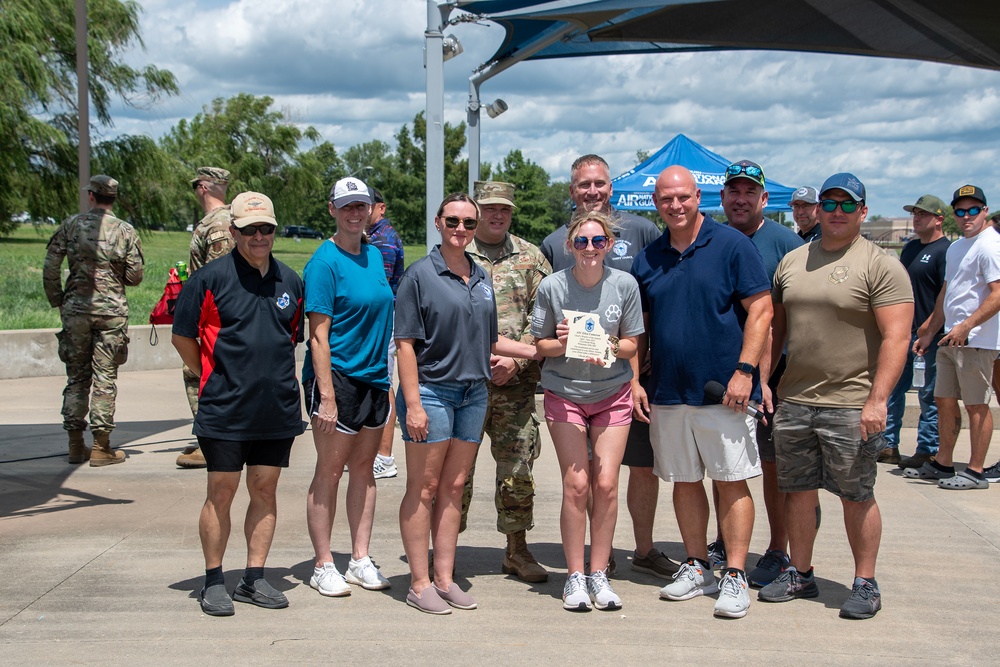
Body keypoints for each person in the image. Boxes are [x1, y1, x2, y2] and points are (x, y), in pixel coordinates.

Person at [762, 173, 912, 620]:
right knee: (799, 492)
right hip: (795, 400)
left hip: (852, 404)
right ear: (817, 209)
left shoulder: (881, 265)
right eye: (830, 203)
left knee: (856, 495)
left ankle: (865, 581)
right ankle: (801, 573)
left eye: (848, 205)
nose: (837, 212)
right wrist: (765, 381)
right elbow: (777, 328)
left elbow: (896, 338)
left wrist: (878, 399)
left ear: (863, 212)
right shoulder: (792, 261)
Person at [631, 165, 772, 620]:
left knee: (731, 480)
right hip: (668, 392)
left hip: (723, 391)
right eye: (666, 199)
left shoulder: (733, 245)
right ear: (656, 202)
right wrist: (636, 380)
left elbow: (762, 310)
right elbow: (641, 328)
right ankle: (696, 565)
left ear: (699, 197)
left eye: (683, 197)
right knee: (685, 480)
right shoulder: (649, 257)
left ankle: (734, 574)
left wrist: (746, 371)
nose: (675, 206)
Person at [394, 193, 540, 615]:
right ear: (438, 222)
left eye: (468, 223)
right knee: (423, 488)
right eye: (453, 221)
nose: (461, 229)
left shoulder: (479, 276)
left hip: (474, 393)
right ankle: (419, 583)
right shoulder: (419, 276)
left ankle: (444, 578)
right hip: (433, 392)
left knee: (453, 488)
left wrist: (540, 350)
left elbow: (490, 339)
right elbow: (404, 344)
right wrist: (413, 403)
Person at [171, 191, 305, 617]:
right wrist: (214, 374)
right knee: (221, 493)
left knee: (265, 491)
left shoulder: (291, 281)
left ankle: (254, 577)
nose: (259, 236)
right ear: (233, 232)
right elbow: (182, 336)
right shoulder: (209, 279)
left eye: (266, 228)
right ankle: (213, 581)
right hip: (225, 409)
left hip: (276, 410)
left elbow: (291, 338)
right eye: (250, 230)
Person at [542, 153, 666, 579]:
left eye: (599, 183)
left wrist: (636, 375)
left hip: (630, 373)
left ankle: (645, 547)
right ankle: (599, 557)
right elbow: (543, 316)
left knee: (638, 467)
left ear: (611, 187)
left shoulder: (644, 230)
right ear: (572, 190)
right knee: (586, 477)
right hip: (572, 380)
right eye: (583, 185)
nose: (592, 191)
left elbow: (651, 305)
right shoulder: (556, 240)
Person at [533, 210, 643, 612]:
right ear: (570, 246)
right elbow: (538, 346)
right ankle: (575, 576)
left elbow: (632, 344)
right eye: (582, 242)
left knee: (606, 484)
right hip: (564, 392)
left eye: (598, 242)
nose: (590, 249)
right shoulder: (552, 287)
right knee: (577, 485)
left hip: (612, 392)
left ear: (609, 245)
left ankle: (600, 574)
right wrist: (561, 342)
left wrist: (609, 347)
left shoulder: (625, 284)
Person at [711, 160, 804, 588]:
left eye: (750, 192)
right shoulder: (712, 237)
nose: (741, 199)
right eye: (734, 191)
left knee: (774, 467)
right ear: (723, 197)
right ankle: (723, 539)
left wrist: (763, 378)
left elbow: (776, 320)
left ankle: (778, 550)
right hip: (726, 376)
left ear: (764, 199)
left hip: (776, 377)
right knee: (723, 465)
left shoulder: (786, 243)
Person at [303, 178, 394, 598]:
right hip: (337, 380)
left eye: (361, 205)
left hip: (375, 378)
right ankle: (323, 564)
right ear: (332, 210)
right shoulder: (324, 262)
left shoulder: (375, 256)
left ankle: (359, 558)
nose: (355, 213)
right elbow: (318, 336)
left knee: (365, 471)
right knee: (330, 471)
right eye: (346, 207)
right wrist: (326, 397)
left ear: (373, 209)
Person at [462, 180, 551, 583]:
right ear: (476, 210)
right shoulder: (455, 252)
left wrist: (515, 361)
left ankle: (517, 550)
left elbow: (546, 317)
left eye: (505, 209)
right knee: (453, 473)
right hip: (461, 385)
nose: (497, 215)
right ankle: (443, 548)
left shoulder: (531, 258)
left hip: (514, 387)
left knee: (517, 471)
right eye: (489, 208)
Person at [43, 175, 144, 467]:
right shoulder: (125, 231)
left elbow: (51, 265)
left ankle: (76, 444)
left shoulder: (71, 225)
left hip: (76, 309)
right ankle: (102, 447)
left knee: (76, 376)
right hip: (111, 312)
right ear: (113, 198)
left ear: (91, 196)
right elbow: (135, 276)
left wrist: (58, 299)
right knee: (105, 377)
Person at [906, 185, 1000, 489]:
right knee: (943, 399)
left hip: (977, 341)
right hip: (949, 338)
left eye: (973, 210)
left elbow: (998, 293)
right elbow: (948, 293)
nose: (966, 216)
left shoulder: (991, 245)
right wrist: (930, 330)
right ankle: (943, 463)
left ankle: (975, 470)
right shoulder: (958, 247)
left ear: (984, 211)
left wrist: (968, 325)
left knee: (976, 404)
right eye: (960, 211)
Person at [880, 195, 950, 468]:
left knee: (928, 395)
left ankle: (927, 449)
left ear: (939, 218)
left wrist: (930, 328)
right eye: (915, 213)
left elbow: (946, 293)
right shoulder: (910, 249)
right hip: (903, 334)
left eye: (923, 214)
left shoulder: (945, 250)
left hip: (931, 336)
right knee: (894, 389)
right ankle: (888, 445)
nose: (917, 217)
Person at [177, 166, 235, 469]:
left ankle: (211, 440)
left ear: (203, 188)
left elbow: (218, 277)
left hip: (219, 315)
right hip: (224, 313)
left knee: (197, 372)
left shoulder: (217, 224)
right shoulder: (229, 218)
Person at [365, 187, 405, 480]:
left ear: (381, 207)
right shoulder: (373, 237)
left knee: (384, 382)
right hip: (380, 317)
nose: (359, 211)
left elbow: (378, 285)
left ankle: (384, 456)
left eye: (365, 205)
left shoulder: (384, 240)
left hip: (385, 317)